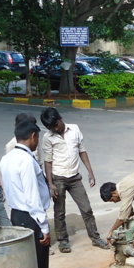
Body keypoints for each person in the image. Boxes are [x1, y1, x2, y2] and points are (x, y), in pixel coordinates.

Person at [1, 121, 59, 268]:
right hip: (31, 217)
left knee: (25, 266)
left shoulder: (7, 158)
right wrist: (44, 227)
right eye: (37, 138)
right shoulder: (26, 160)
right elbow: (32, 196)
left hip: (17, 215)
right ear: (33, 136)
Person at [39, 107, 110, 253]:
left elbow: (82, 151)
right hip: (58, 178)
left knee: (86, 209)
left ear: (60, 119)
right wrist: (50, 184)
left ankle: (95, 237)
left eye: (56, 125)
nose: (55, 129)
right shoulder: (47, 137)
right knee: (59, 212)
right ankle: (63, 241)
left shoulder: (75, 129)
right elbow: (48, 161)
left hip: (75, 178)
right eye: (51, 128)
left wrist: (90, 172)